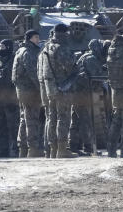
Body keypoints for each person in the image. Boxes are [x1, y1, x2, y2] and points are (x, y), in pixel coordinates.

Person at [38, 23, 77, 158]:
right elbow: (69, 65)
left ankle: (53, 149)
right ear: (65, 33)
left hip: (49, 89)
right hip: (63, 88)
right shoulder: (62, 48)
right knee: (63, 117)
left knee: (52, 118)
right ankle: (62, 149)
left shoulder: (45, 48)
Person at [69, 38, 107, 155]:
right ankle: (89, 147)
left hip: (76, 92)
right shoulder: (92, 59)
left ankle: (73, 146)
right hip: (82, 93)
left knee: (76, 120)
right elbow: (97, 76)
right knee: (86, 120)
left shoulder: (86, 56)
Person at [12, 29, 45, 158]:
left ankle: (23, 148)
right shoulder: (28, 52)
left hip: (22, 91)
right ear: (29, 38)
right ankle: (33, 148)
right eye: (36, 37)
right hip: (30, 91)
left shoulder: (20, 51)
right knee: (32, 120)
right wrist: (42, 89)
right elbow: (33, 73)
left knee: (24, 119)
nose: (38, 40)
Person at [0, 38, 20, 157]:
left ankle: (14, 150)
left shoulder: (13, 61)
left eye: (3, 48)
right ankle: (1, 150)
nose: (0, 50)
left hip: (11, 100)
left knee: (13, 127)